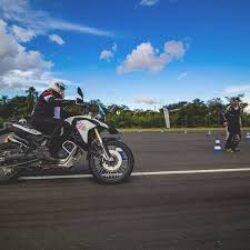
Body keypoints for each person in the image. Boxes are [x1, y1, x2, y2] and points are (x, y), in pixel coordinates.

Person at [30, 81, 69, 157]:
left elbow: (61, 112)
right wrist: (71, 102)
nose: (62, 90)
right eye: (61, 88)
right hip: (39, 119)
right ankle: (47, 149)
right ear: (56, 86)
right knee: (62, 123)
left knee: (65, 122)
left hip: (46, 119)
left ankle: (55, 150)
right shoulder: (47, 93)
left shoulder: (56, 99)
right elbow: (52, 101)